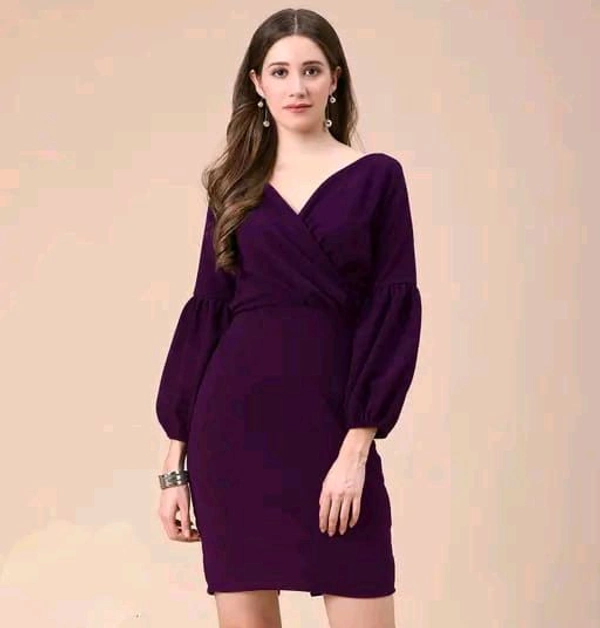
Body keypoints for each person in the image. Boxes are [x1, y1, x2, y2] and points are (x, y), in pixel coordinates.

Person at [154, 8, 422, 628]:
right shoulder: (234, 184)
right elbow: (208, 312)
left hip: (333, 429)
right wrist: (174, 465)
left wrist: (356, 449)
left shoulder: (377, 178)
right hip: (234, 433)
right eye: (279, 71)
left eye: (310, 70)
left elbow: (391, 312)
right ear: (257, 83)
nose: (296, 86)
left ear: (335, 79)